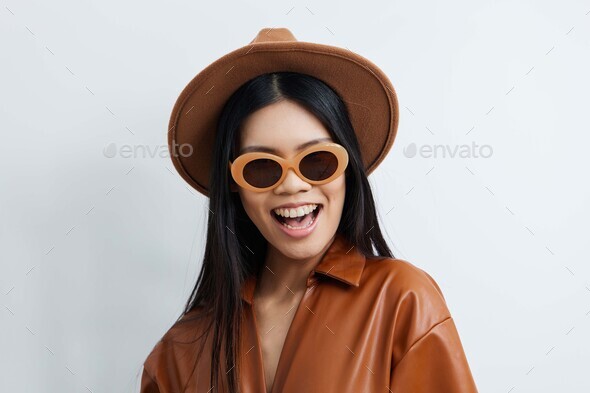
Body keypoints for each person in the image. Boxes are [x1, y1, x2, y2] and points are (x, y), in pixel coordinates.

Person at [140, 27, 478, 393]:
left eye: (316, 161)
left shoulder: (401, 301)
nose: (292, 185)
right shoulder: (178, 351)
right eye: (262, 167)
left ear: (347, 169)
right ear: (234, 183)